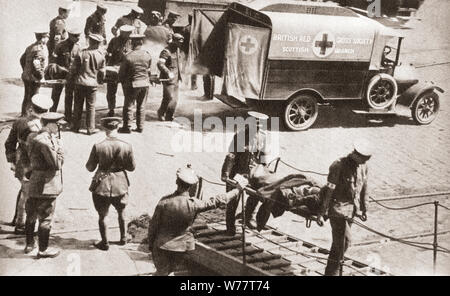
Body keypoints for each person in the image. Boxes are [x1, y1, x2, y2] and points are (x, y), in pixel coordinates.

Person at [148, 165, 248, 275]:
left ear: (177, 181)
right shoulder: (194, 204)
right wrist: (237, 190)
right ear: (191, 186)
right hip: (181, 248)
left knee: (162, 272)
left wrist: (151, 244)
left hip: (162, 246)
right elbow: (218, 200)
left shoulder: (164, 202)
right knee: (169, 271)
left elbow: (153, 226)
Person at [319, 139, 371, 276]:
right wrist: (322, 212)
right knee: (345, 241)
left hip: (351, 210)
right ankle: (332, 273)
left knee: (338, 244)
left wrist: (364, 208)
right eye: (364, 158)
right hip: (337, 209)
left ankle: (333, 271)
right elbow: (329, 190)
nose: (366, 161)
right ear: (356, 154)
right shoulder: (338, 165)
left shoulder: (363, 166)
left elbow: (364, 187)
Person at [86, 117, 136, 251]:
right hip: (121, 184)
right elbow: (132, 168)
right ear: (118, 128)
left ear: (104, 129)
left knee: (103, 215)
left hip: (102, 184)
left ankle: (105, 242)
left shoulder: (98, 146)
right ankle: (123, 238)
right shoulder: (127, 146)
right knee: (122, 211)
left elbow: (90, 167)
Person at [4, 95, 53, 234]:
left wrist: (12, 161)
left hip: (21, 162)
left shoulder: (19, 121)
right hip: (33, 165)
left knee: (24, 191)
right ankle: (21, 225)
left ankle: (17, 218)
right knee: (28, 195)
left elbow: (9, 143)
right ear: (46, 110)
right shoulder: (42, 127)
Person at [221, 111, 270, 235]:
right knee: (233, 200)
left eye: (259, 125)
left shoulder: (263, 137)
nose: (257, 127)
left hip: (253, 174)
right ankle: (230, 227)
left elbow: (264, 158)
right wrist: (226, 173)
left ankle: (248, 216)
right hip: (238, 173)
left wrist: (265, 172)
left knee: (258, 194)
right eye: (255, 124)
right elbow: (231, 155)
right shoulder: (240, 135)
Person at [24, 112, 65, 258]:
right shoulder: (45, 142)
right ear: (49, 124)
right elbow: (56, 164)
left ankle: (29, 244)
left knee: (31, 214)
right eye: (57, 125)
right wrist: (60, 149)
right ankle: (43, 250)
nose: (59, 127)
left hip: (35, 180)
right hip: (47, 184)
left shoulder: (33, 136)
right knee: (45, 218)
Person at [70, 33, 106, 135]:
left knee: (77, 105)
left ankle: (75, 127)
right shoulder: (101, 55)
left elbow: (74, 69)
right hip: (92, 84)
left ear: (90, 41)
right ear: (98, 43)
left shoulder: (82, 53)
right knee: (91, 107)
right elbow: (102, 72)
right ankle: (90, 129)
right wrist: (100, 81)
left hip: (80, 82)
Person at [118, 34, 152, 133]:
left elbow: (122, 73)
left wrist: (121, 81)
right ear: (141, 43)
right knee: (141, 106)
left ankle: (127, 127)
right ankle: (140, 127)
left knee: (129, 106)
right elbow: (148, 69)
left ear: (132, 43)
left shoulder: (128, 56)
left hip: (133, 84)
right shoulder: (147, 55)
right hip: (145, 83)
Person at [48, 28, 82, 120]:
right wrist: (57, 71)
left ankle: (68, 116)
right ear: (69, 35)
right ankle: (51, 115)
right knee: (55, 95)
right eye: (75, 36)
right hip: (60, 75)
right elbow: (53, 61)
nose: (78, 38)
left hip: (71, 76)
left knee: (69, 95)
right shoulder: (60, 45)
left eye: (79, 35)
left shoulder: (79, 47)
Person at [105, 25, 133, 117]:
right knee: (111, 92)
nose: (129, 35)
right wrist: (107, 66)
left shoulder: (132, 41)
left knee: (128, 91)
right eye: (127, 33)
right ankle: (111, 109)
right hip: (114, 69)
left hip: (127, 71)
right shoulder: (114, 41)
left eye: (129, 33)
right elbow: (108, 54)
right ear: (122, 33)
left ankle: (128, 111)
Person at [20, 30, 49, 116]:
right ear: (42, 38)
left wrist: (26, 70)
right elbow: (36, 64)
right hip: (34, 78)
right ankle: (30, 117)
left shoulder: (30, 47)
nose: (48, 38)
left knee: (27, 96)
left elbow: (22, 59)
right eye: (47, 37)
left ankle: (24, 115)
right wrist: (41, 77)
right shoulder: (39, 49)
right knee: (34, 97)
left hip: (27, 76)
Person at [157, 33, 183, 122]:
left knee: (175, 99)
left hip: (176, 78)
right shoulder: (166, 51)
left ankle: (170, 115)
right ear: (174, 41)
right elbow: (160, 64)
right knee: (168, 97)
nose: (181, 44)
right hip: (168, 79)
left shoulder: (178, 50)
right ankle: (161, 112)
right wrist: (168, 72)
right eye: (179, 42)